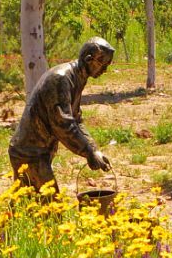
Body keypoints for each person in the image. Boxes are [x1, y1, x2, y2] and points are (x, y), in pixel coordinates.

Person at [8, 37, 115, 191]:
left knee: (29, 203)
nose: (104, 70)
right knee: (51, 205)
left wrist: (93, 149)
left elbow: (76, 119)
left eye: (107, 65)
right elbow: (63, 124)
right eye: (102, 63)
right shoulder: (61, 78)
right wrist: (88, 152)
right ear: (88, 59)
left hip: (41, 150)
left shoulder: (78, 78)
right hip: (29, 152)